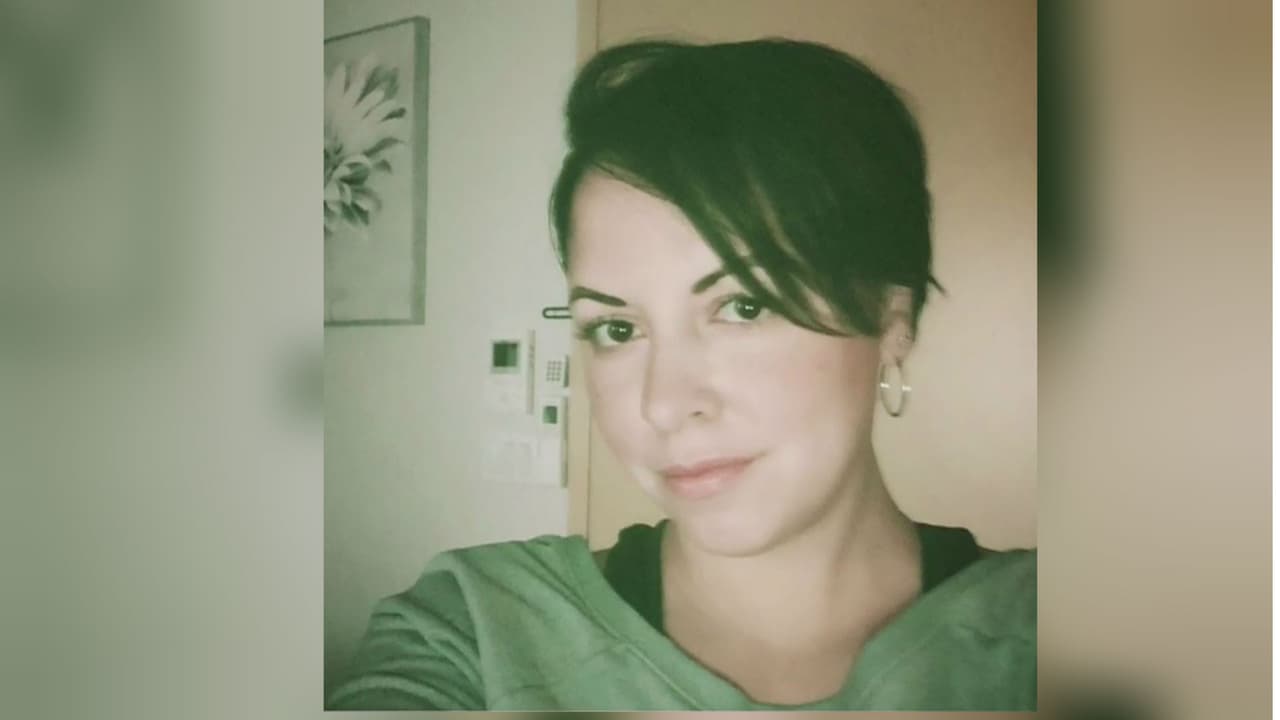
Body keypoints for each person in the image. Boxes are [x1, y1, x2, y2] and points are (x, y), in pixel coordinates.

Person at [327, 37, 1036, 711]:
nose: (663, 404)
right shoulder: (477, 628)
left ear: (891, 321)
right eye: (616, 329)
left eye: (745, 306)